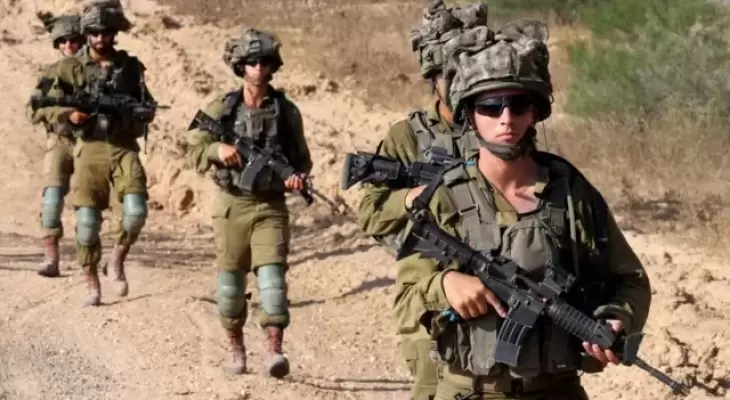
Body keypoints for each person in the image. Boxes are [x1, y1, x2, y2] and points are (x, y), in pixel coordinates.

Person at [392, 20, 652, 400]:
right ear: (469, 113)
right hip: (469, 392)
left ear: (535, 111)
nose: (506, 118)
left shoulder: (571, 193)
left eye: (518, 104)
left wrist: (617, 317)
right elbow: (405, 302)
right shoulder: (443, 196)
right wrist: (444, 286)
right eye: (490, 105)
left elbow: (629, 279)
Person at [356, 1, 487, 399]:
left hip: (491, 290)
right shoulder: (407, 137)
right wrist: (411, 197)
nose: (463, 84)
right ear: (433, 77)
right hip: (428, 298)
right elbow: (370, 214)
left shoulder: (500, 128)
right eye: (452, 74)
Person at [186, 28, 312, 378]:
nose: (258, 68)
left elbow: (302, 160)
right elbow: (194, 150)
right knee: (230, 287)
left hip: (270, 206)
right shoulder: (223, 108)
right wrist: (217, 149)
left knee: (272, 282)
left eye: (265, 62)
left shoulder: (286, 111)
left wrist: (294, 178)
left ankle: (274, 350)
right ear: (241, 66)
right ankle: (235, 347)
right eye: (252, 62)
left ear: (273, 66)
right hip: (232, 205)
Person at [31, 0, 156, 306]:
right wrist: (68, 116)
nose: (101, 38)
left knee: (136, 212)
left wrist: (141, 112)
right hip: (87, 147)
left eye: (107, 32)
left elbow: (147, 104)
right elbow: (37, 107)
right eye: (95, 32)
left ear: (115, 33)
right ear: (87, 33)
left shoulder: (130, 67)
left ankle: (117, 259)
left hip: (123, 147)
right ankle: (91, 283)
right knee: (86, 223)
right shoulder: (66, 68)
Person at [29, 12, 84, 278]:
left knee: (88, 205)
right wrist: (64, 114)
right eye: (63, 41)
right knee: (52, 200)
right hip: (60, 140)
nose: (68, 45)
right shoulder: (51, 74)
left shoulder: (96, 72)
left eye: (73, 40)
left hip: (90, 141)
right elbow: (33, 110)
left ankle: (91, 263)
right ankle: (51, 259)